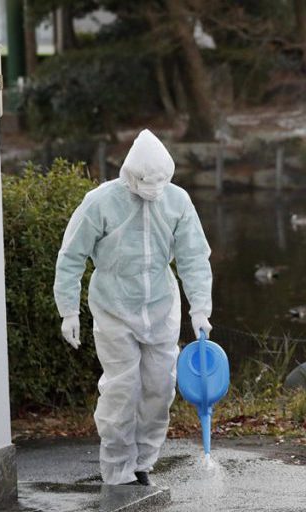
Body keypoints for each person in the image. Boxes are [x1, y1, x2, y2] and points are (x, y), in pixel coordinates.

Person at [54, 129, 213, 487]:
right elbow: (71, 256)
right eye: (146, 182)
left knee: (160, 388)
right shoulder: (100, 202)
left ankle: (143, 460)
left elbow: (193, 258)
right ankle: (117, 468)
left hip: (161, 306)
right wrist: (68, 310)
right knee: (122, 389)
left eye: (160, 182)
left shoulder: (177, 201)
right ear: (130, 174)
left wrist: (200, 308)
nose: (153, 189)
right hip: (114, 308)